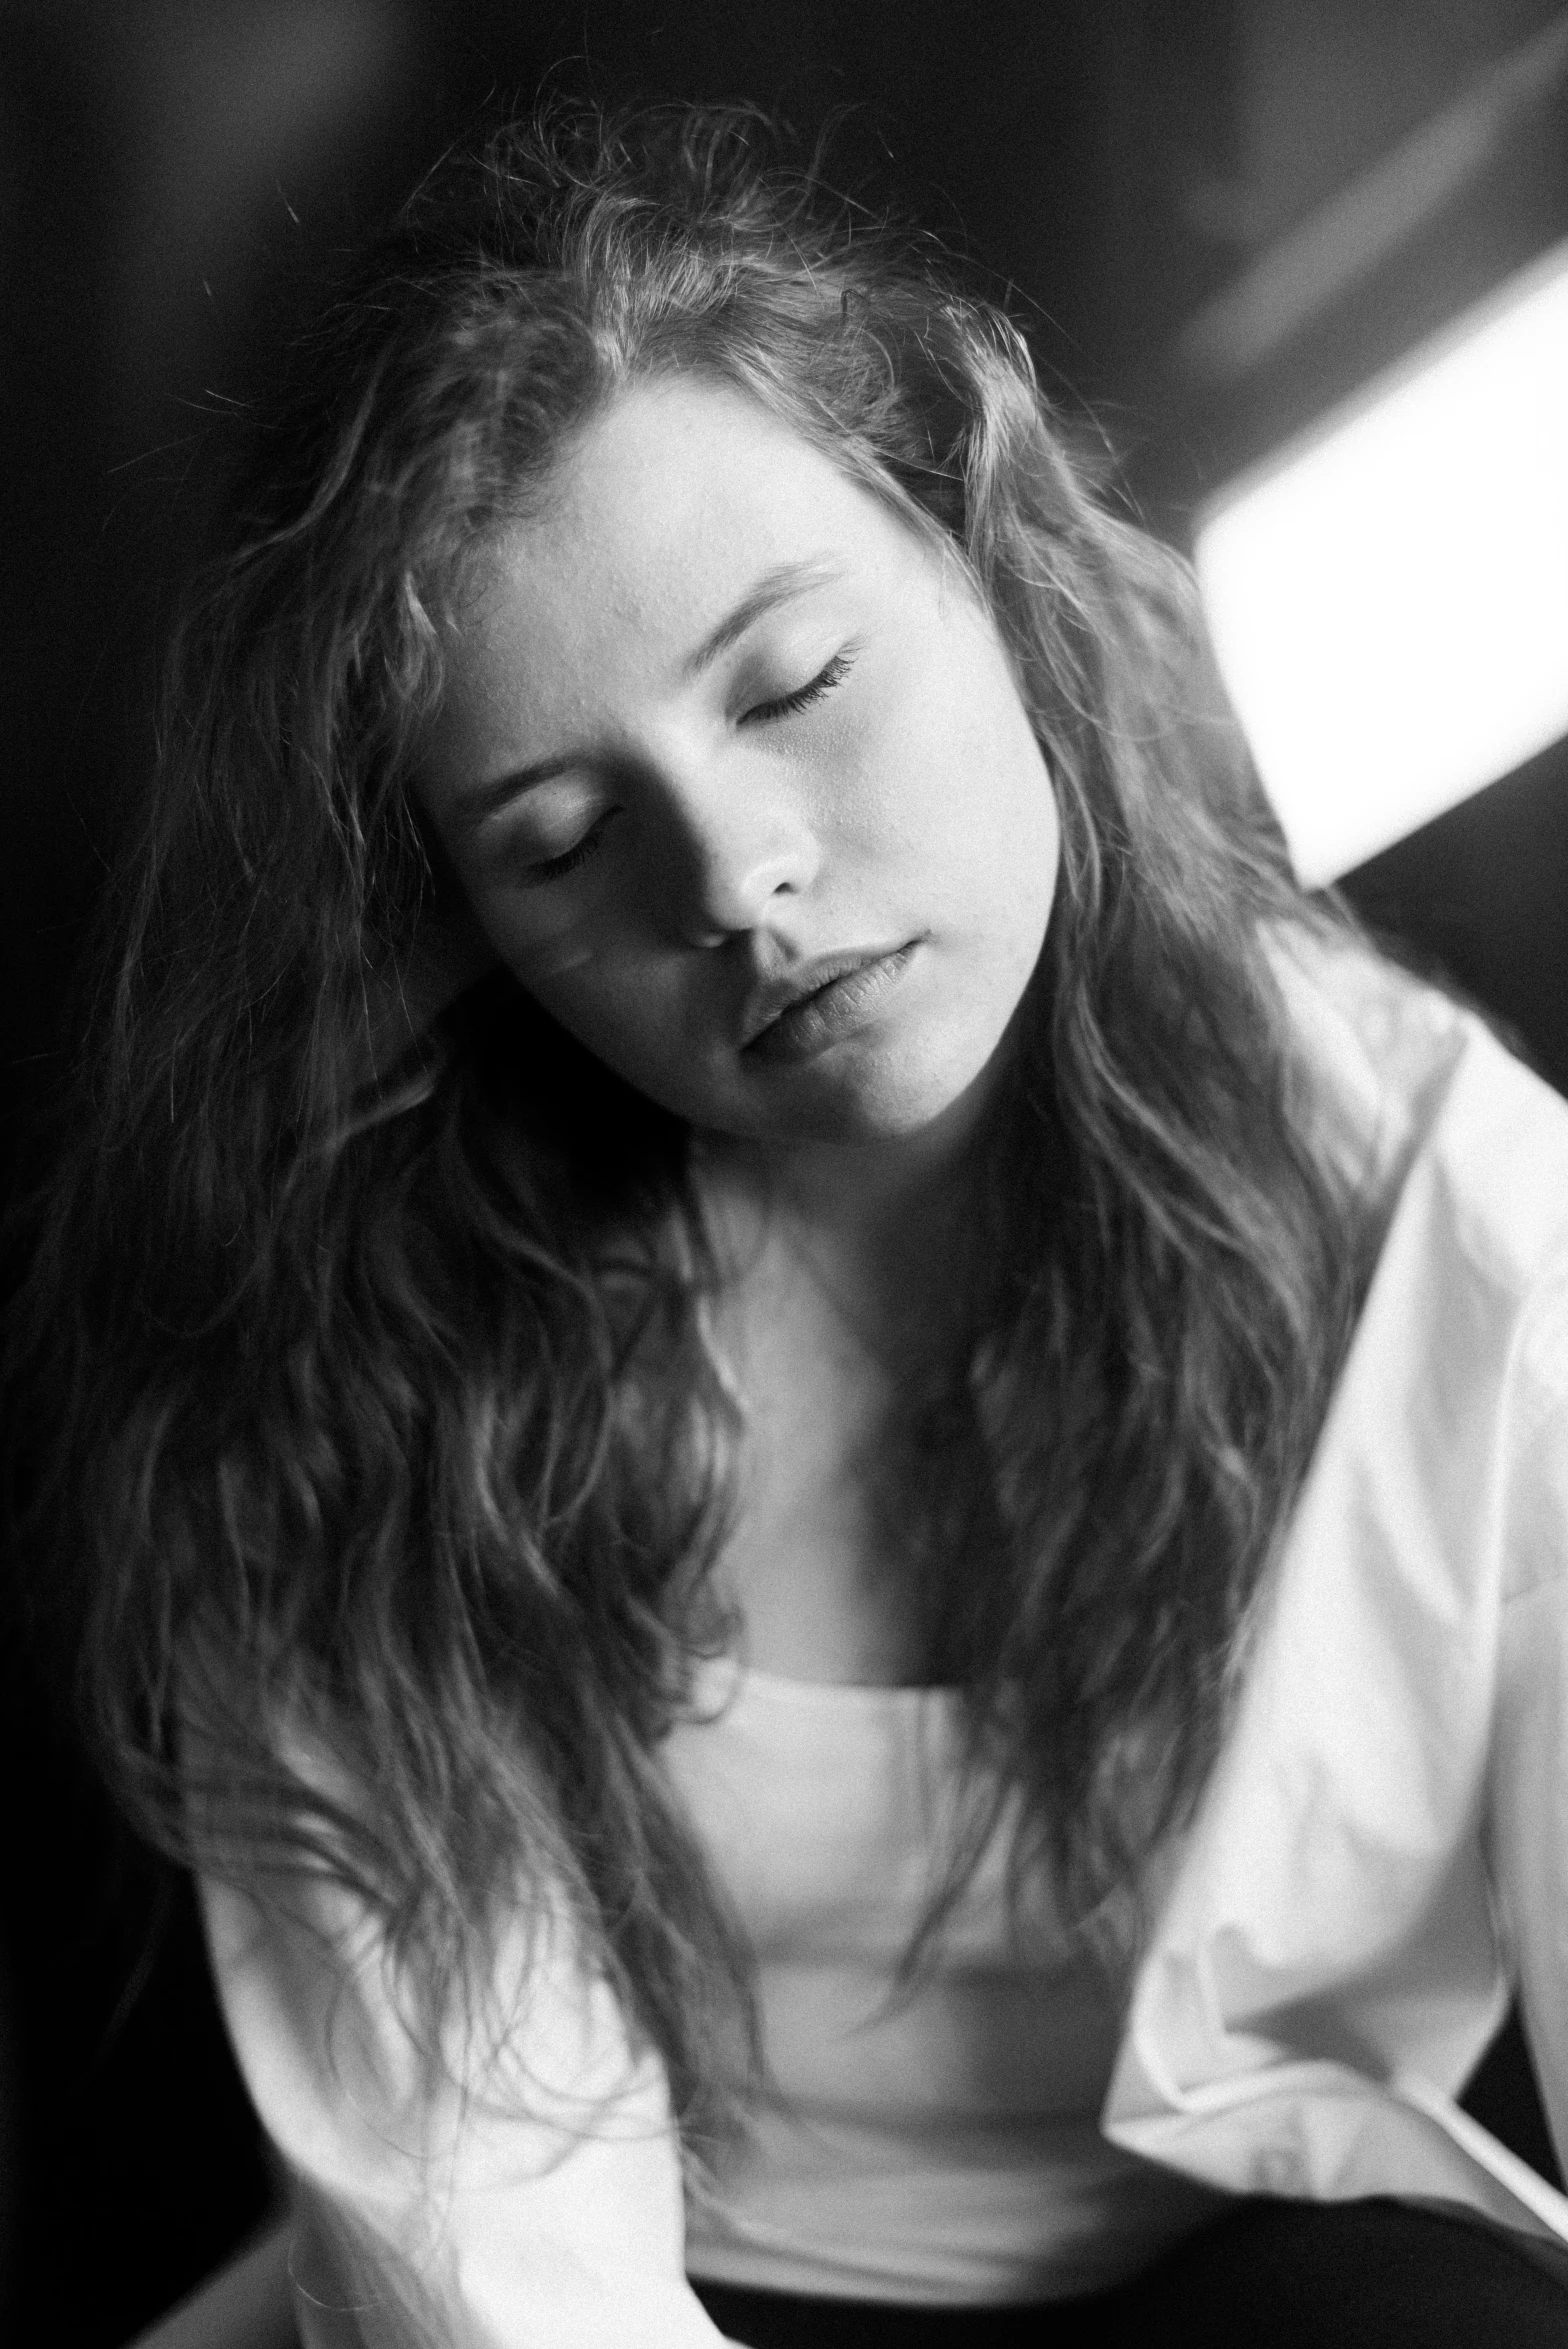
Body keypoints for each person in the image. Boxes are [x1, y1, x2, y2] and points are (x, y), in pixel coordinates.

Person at [8, 101, 1568, 2349]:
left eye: (796, 685)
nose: (733, 878)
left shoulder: (1469, 1224)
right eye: (559, 842)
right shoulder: (367, 1348)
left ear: (983, 553)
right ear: (465, 931)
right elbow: (496, 2271)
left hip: (1281, 2281)